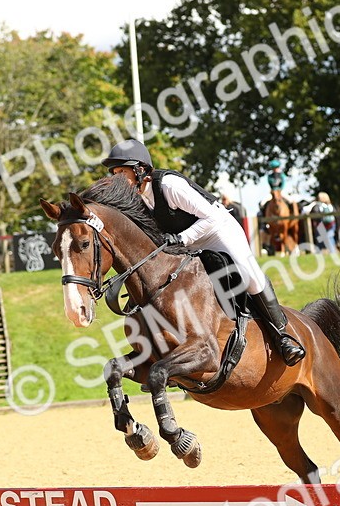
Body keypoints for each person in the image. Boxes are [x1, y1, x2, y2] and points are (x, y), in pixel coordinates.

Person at [100, 139, 305, 365]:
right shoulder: (137, 199)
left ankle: (283, 336)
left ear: (140, 169)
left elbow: (211, 216)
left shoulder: (168, 185)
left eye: (122, 171)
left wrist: (182, 238)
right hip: (187, 242)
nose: (116, 178)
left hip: (217, 230)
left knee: (250, 276)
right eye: (114, 172)